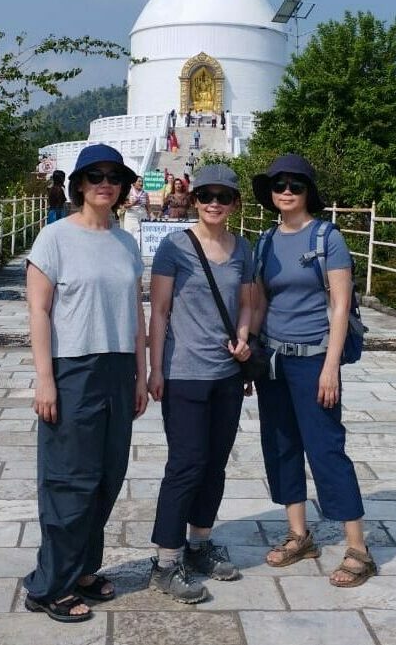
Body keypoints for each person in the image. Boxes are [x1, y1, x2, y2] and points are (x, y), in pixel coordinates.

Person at [24, 144, 149, 623]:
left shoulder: (125, 242)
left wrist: (140, 373)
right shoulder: (54, 238)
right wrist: (45, 378)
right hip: (72, 367)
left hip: (118, 368)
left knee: (106, 477)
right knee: (68, 481)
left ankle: (81, 570)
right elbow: (38, 310)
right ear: (78, 184)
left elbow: (135, 313)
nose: (104, 183)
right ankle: (49, 585)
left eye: (113, 176)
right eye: (94, 175)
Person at [251, 153, 376, 587]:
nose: (286, 192)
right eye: (279, 185)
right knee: (281, 446)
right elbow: (261, 301)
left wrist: (330, 366)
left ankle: (358, 547)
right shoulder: (264, 242)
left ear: (308, 192)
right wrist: (249, 348)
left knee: (325, 448)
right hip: (273, 360)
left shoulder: (327, 238)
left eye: (295, 185)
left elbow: (340, 305)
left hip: (314, 358)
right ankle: (298, 534)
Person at [147, 164, 253, 603]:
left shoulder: (243, 248)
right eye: (206, 195)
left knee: (214, 463)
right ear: (193, 199)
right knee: (186, 464)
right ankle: (166, 561)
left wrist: (245, 339)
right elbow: (158, 310)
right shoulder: (175, 247)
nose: (214, 203)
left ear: (234, 203)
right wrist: (155, 369)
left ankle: (200, 543)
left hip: (227, 375)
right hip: (185, 371)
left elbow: (247, 303)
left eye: (223, 196)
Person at [123, 175, 150, 241]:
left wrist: (150, 216)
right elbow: (124, 205)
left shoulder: (145, 193)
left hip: (142, 215)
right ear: (134, 183)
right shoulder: (129, 192)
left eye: (142, 182)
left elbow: (148, 206)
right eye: (139, 181)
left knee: (141, 235)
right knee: (130, 235)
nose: (141, 183)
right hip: (131, 215)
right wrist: (133, 204)